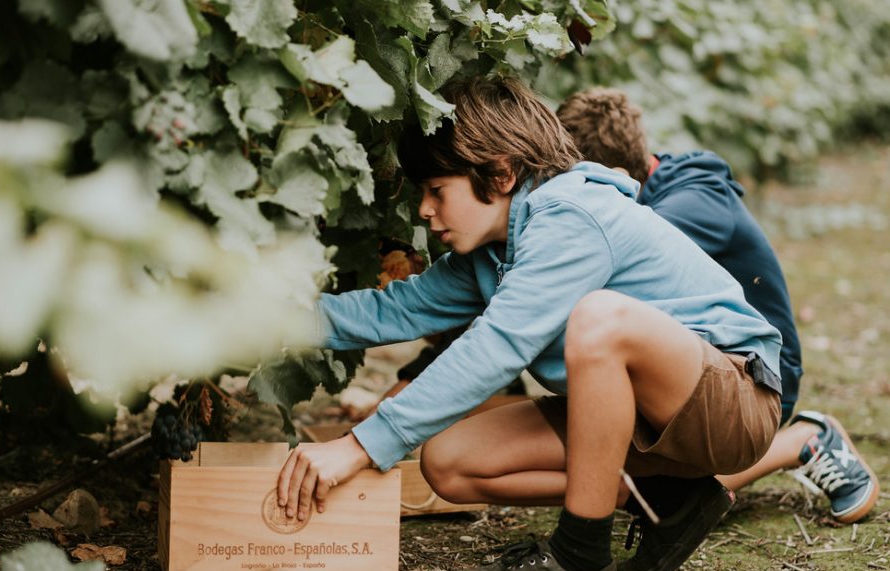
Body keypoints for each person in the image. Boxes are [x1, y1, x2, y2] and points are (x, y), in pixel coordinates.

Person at [275, 76, 783, 571]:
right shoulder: (491, 252)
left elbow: (497, 346)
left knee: (599, 319)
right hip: (645, 423)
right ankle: (670, 499)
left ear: (499, 172)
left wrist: (357, 446)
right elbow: (393, 310)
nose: (424, 210)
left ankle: (579, 560)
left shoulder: (571, 216)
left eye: (436, 191)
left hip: (734, 399)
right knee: (448, 462)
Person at [366, 87, 880, 531]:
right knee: (459, 432)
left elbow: (526, 313)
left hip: (750, 381)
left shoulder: (651, 214)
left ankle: (799, 441)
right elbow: (511, 301)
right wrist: (418, 375)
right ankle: (661, 501)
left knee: (592, 321)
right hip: (646, 387)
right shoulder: (552, 227)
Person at [556, 87, 879, 529]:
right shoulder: (649, 193)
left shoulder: (688, 205)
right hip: (698, 369)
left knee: (656, 486)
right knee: (603, 461)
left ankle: (802, 440)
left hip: (759, 381)